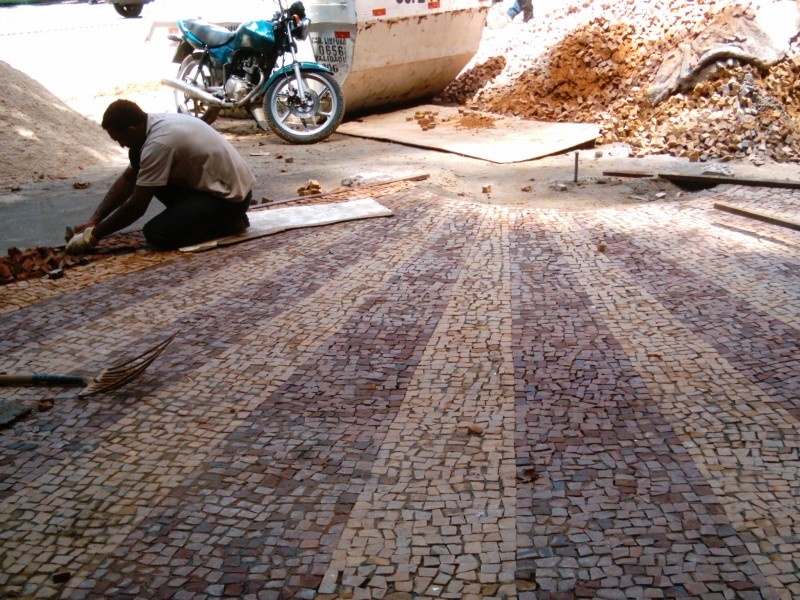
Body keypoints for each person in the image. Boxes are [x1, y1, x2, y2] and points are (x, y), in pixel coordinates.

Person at [66, 99, 255, 254]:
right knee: (139, 161)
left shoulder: (158, 144)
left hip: (231, 199)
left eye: (120, 140)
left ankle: (230, 223)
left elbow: (136, 207)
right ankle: (206, 218)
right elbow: (128, 179)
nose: (122, 145)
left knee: (158, 233)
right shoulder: (153, 124)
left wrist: (92, 237)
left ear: (131, 130)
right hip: (218, 187)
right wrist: (94, 220)